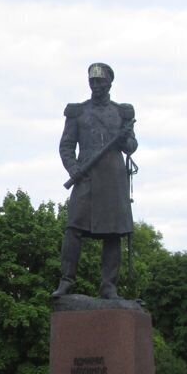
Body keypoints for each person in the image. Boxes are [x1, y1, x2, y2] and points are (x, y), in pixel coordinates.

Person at [51, 62, 137, 300]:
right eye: (93, 81)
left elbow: (132, 146)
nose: (96, 85)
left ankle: (109, 286)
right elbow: (66, 145)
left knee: (113, 234)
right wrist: (73, 169)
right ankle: (66, 280)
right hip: (86, 178)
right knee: (73, 229)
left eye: (100, 81)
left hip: (113, 180)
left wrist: (122, 139)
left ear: (109, 83)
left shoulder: (122, 113)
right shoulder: (78, 112)